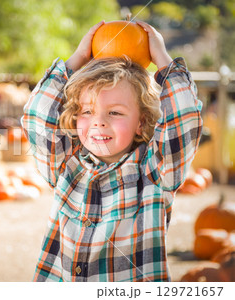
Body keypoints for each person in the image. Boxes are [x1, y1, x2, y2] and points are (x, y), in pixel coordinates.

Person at [21, 20, 202, 282]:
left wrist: (163, 59)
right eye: (87, 111)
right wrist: (76, 59)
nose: (98, 121)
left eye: (115, 112)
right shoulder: (65, 165)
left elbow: (184, 119)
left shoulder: (155, 173)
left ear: (141, 123)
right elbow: (38, 117)